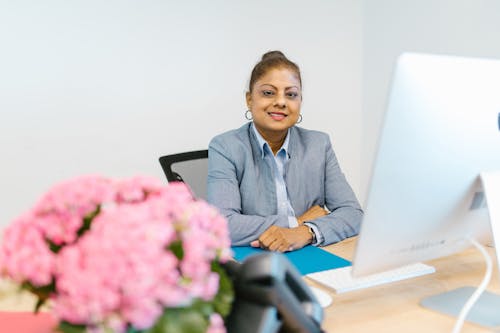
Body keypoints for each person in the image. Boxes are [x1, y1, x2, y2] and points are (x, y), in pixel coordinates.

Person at [207, 50, 363, 252]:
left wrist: (306, 231)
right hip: (255, 258)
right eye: (268, 93)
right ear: (249, 99)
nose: (281, 102)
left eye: (291, 94)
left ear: (300, 102)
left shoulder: (319, 144)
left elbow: (353, 213)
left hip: (311, 252)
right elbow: (221, 226)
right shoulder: (225, 147)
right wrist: (295, 221)